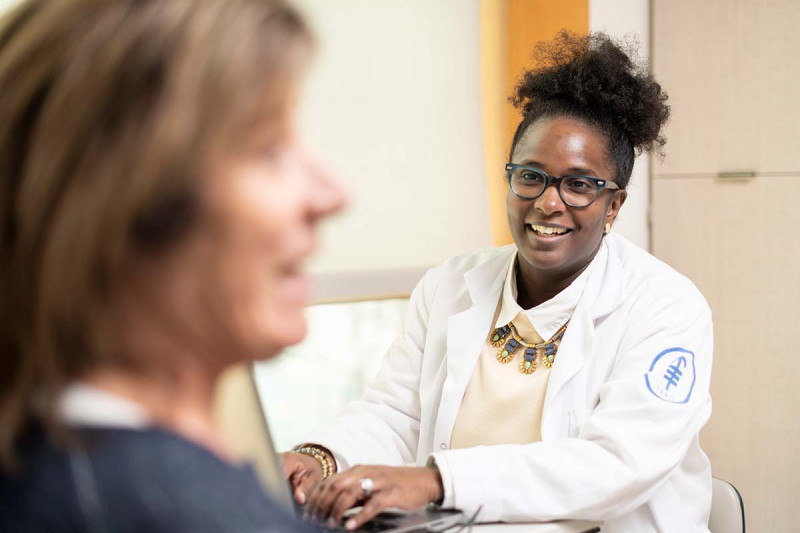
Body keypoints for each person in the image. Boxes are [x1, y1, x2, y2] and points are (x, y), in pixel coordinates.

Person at [283, 32, 712, 532]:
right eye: (530, 176)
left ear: (613, 206)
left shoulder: (666, 308)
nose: (548, 202)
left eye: (578, 185)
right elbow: (397, 415)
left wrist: (438, 481)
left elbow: (617, 465)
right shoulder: (449, 285)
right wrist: (320, 458)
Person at [0, 0, 345, 531]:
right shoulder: (165, 511)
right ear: (120, 205)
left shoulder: (52, 467)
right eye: (269, 149)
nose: (332, 194)